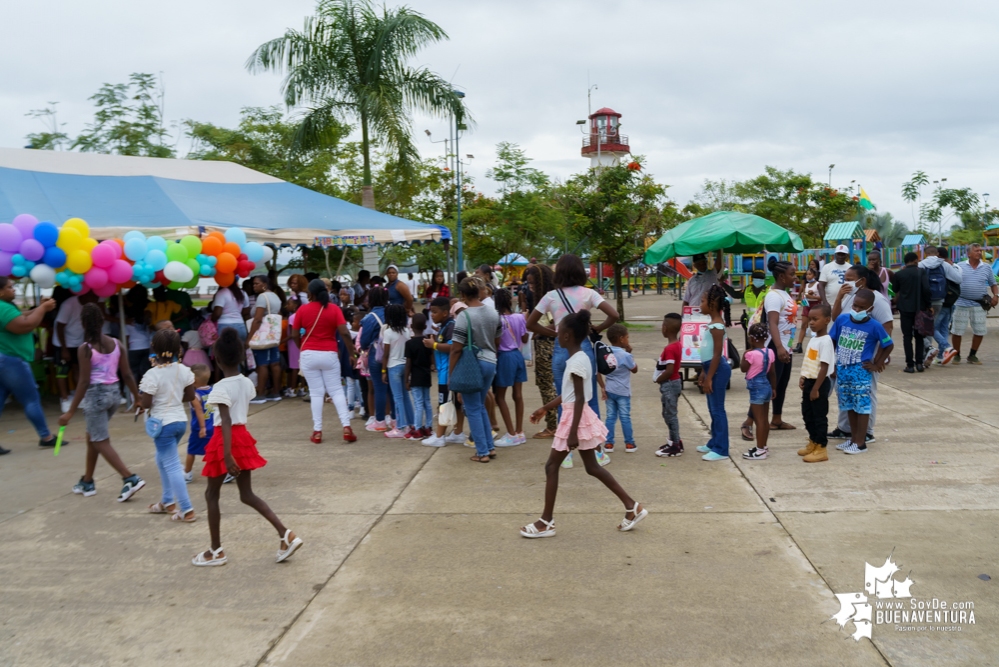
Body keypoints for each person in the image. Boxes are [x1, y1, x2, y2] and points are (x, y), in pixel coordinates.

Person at [520, 310, 647, 538]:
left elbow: (578, 398)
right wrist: (545, 408)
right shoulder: (579, 358)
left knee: (551, 466)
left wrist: (571, 434)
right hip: (576, 415)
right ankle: (632, 506)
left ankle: (546, 521)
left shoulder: (577, 361)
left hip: (574, 418)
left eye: (559, 332)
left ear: (568, 336)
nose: (556, 335)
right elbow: (569, 394)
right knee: (592, 467)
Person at [192, 328, 303, 567]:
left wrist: (227, 454)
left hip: (226, 440)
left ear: (217, 359)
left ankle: (216, 551)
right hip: (242, 437)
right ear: (242, 357)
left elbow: (226, 419)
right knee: (247, 495)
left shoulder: (219, 388)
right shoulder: (245, 383)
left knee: (212, 494)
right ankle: (286, 534)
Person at [526, 255, 617, 469]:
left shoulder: (550, 296)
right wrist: (598, 329)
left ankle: (565, 451)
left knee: (564, 399)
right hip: (583, 347)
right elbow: (614, 314)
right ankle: (597, 451)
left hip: (560, 349)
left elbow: (530, 323)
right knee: (589, 398)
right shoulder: (589, 293)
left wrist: (554, 333)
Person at [59, 303, 145, 500]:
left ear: (83, 324)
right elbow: (128, 374)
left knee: (100, 440)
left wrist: (70, 411)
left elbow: (83, 381)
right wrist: (137, 398)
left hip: (96, 396)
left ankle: (129, 478)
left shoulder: (85, 349)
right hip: (115, 395)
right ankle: (87, 481)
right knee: (93, 437)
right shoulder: (117, 343)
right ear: (102, 321)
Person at [828, 265, 893, 445]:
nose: (845, 282)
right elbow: (836, 319)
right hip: (846, 359)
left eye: (849, 278)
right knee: (846, 395)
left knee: (865, 396)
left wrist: (879, 359)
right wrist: (840, 296)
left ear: (861, 281)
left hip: (865, 359)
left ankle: (866, 433)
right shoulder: (852, 297)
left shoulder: (877, 300)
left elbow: (887, 327)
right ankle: (846, 430)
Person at [137, 328, 197, 522]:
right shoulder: (185, 370)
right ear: (178, 349)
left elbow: (146, 403)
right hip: (180, 422)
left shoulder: (152, 374)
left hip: (162, 425)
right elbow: (189, 396)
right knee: (162, 459)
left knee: (171, 465)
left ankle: (187, 509)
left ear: (153, 348)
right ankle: (167, 501)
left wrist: (142, 402)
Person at [293, 279, 357, 444]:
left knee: (316, 392)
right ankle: (346, 427)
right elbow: (344, 333)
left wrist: (303, 347)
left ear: (311, 294)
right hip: (329, 353)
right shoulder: (334, 309)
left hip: (308, 354)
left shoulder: (303, 310)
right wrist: (352, 353)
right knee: (336, 390)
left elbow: (294, 334)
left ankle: (317, 431)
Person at [740, 259, 797, 441]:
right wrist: (779, 347)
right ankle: (748, 422)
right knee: (766, 386)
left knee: (781, 383)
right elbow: (771, 322)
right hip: (775, 346)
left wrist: (786, 347)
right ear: (781, 276)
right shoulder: (774, 296)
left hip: (785, 346)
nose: (795, 278)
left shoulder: (785, 294)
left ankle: (777, 419)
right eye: (792, 274)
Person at [0, 278, 59, 454]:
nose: (14, 290)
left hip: (4, 360)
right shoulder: (2, 307)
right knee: (31, 399)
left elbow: (23, 316)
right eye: (10, 287)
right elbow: (24, 325)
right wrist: (42, 309)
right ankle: (46, 437)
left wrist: (38, 309)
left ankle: (45, 436)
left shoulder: (6, 307)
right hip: (11, 360)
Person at [449, 277, 503, 463]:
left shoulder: (464, 316)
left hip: (473, 363)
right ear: (479, 291)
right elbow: (497, 340)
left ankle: (482, 452)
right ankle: (489, 447)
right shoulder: (493, 312)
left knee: (472, 408)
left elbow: (456, 348)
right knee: (479, 406)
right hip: (490, 361)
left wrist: (451, 374)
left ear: (462, 295)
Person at [421, 297, 466, 447]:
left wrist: (433, 345)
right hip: (446, 371)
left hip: (447, 372)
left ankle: (439, 436)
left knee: (444, 404)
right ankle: (458, 432)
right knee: (454, 404)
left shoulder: (450, 326)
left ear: (445, 312)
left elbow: (452, 347)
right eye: (431, 312)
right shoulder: (445, 326)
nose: (432, 315)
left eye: (435, 312)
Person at [521, 263, 558, 438]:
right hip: (546, 344)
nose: (531, 287)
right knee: (547, 384)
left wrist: (538, 333)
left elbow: (555, 323)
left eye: (533, 283)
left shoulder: (548, 299)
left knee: (546, 385)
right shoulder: (549, 297)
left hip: (546, 345)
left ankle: (552, 426)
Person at [797, 304, 835, 463]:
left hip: (819, 383)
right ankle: (813, 441)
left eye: (815, 319)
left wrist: (816, 389)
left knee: (819, 416)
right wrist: (803, 377)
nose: (811, 322)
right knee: (807, 413)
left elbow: (824, 366)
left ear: (827, 320)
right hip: (810, 381)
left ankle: (821, 447)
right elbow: (811, 361)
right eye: (810, 319)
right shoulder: (814, 339)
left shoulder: (826, 341)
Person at [697, 285, 731, 461]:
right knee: (712, 408)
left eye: (702, 301)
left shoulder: (717, 326)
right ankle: (714, 442)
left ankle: (722, 449)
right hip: (711, 368)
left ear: (712, 304)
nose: (700, 304)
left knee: (718, 409)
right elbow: (709, 353)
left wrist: (709, 376)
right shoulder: (712, 324)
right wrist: (704, 372)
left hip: (717, 369)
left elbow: (718, 353)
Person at [950, 243, 998, 365]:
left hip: (979, 304)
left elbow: (993, 284)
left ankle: (972, 355)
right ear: (969, 254)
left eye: (980, 251)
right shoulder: (959, 266)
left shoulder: (986, 267)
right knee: (957, 330)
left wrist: (996, 296)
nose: (979, 253)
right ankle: (957, 355)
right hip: (961, 303)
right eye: (976, 251)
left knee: (980, 330)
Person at [492, 288, 529, 447]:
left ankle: (511, 433)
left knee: (500, 396)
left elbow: (497, 342)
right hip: (517, 355)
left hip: (504, 356)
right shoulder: (519, 317)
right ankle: (519, 431)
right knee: (518, 395)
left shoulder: (497, 320)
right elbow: (525, 337)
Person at [918, 245, 961, 365]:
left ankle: (946, 347)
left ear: (925, 253)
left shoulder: (921, 265)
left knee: (927, 327)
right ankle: (929, 355)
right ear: (937, 253)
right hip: (939, 301)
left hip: (925, 301)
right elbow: (958, 279)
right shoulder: (944, 265)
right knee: (932, 326)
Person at [890, 252, 932, 373]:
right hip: (920, 308)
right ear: (915, 261)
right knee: (919, 336)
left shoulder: (899, 274)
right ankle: (919, 363)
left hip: (905, 309)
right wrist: (929, 305)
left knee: (907, 337)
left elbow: (894, 289)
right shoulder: (921, 272)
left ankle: (909, 365)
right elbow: (927, 289)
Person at [740, 322, 776, 461]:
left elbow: (743, 368)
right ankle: (763, 446)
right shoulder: (770, 352)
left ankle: (760, 450)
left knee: (758, 420)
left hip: (756, 387)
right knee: (764, 419)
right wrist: (774, 388)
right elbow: (772, 372)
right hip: (766, 385)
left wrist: (745, 354)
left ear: (752, 339)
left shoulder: (751, 354)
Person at [55, 292, 95, 413]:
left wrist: (85, 344)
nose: (96, 299)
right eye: (94, 296)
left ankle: (81, 397)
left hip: (78, 343)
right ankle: (65, 399)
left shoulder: (90, 307)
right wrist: (64, 348)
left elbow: (88, 327)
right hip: (63, 343)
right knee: (62, 371)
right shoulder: (69, 305)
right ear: (85, 295)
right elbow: (59, 326)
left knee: (79, 369)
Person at [378, 304, 414, 438]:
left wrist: (383, 371)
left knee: (397, 397)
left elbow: (386, 354)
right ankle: (411, 424)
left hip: (393, 366)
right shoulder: (406, 331)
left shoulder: (388, 332)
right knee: (405, 397)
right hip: (405, 365)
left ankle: (400, 427)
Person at [247, 275, 284, 404]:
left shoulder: (262, 298)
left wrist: (249, 338)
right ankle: (276, 392)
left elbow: (257, 319)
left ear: (264, 285)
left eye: (257, 284)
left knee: (262, 364)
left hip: (262, 334)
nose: (254, 286)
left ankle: (261, 394)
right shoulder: (275, 297)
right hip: (272, 334)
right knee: (275, 363)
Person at [602, 324, 638, 454]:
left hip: (609, 389)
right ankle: (629, 443)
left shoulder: (605, 353)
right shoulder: (625, 355)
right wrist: (630, 354)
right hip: (623, 391)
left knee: (610, 417)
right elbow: (634, 369)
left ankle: (609, 443)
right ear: (621, 339)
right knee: (625, 417)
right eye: (627, 337)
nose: (628, 340)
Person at [360, 287, 391, 432]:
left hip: (376, 354)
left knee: (379, 388)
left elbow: (364, 341)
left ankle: (380, 421)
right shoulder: (392, 312)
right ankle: (395, 419)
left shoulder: (369, 318)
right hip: (393, 353)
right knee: (392, 388)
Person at [655, 313, 684, 457]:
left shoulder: (670, 349)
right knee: (667, 413)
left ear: (665, 328)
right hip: (673, 383)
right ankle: (674, 440)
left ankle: (675, 445)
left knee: (671, 415)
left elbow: (670, 370)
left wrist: (658, 379)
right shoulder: (677, 344)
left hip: (670, 384)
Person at [404, 312, 434, 438]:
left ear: (411, 326)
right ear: (425, 326)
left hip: (416, 376)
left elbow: (408, 364)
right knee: (427, 401)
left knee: (418, 402)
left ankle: (417, 428)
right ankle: (428, 427)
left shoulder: (409, 343)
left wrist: (406, 379)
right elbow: (432, 360)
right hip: (426, 375)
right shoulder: (428, 342)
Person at [183, 364, 213, 483]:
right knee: (214, 451)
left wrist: (202, 428)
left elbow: (199, 411)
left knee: (191, 451)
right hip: (213, 426)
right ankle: (223, 471)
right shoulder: (213, 390)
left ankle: (187, 473)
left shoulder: (194, 396)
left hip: (199, 429)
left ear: (193, 380)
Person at [792, 267, 821, 354]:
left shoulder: (818, 284)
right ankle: (799, 345)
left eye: (810, 274)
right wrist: (803, 300)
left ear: (814, 275)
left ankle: (817, 345)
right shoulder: (806, 285)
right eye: (807, 274)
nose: (808, 276)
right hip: (807, 305)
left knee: (816, 326)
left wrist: (812, 297)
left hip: (816, 306)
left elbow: (821, 297)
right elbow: (804, 295)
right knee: (803, 325)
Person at [741, 270, 768, 350]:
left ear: (763, 280)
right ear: (752, 280)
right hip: (750, 323)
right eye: (756, 279)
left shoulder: (768, 290)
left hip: (763, 322)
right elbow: (735, 294)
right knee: (751, 345)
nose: (758, 281)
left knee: (763, 344)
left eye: (760, 279)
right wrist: (723, 284)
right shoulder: (748, 289)